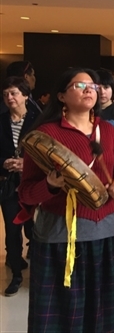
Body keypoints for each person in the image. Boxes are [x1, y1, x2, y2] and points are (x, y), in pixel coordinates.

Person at [18, 68, 114, 332]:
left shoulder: (107, 131)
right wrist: (49, 185)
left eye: (92, 85)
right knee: (60, 312)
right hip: (59, 237)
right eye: (79, 85)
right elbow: (25, 193)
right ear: (61, 96)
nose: (89, 89)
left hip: (102, 233)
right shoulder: (45, 135)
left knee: (101, 309)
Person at [1, 77, 39, 296]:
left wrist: (26, 163)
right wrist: (4, 163)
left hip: (35, 183)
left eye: (14, 93)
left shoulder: (39, 120)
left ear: (25, 95)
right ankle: (15, 273)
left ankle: (38, 273)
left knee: (37, 229)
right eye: (6, 94)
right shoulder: (1, 121)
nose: (10, 98)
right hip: (8, 184)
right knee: (11, 229)